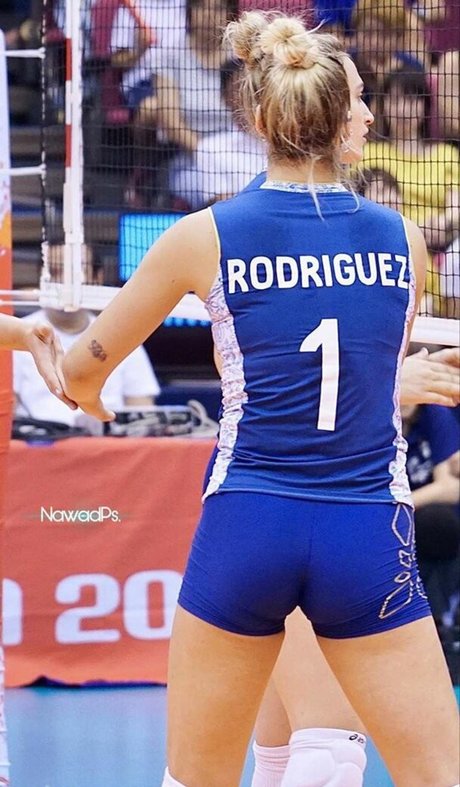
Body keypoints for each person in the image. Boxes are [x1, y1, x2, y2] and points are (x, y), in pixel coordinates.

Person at [60, 12, 459, 787]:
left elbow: (82, 372)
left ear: (265, 120)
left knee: (197, 778)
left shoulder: (202, 235)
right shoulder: (404, 240)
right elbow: (361, 366)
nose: (369, 114)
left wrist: (84, 387)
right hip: (364, 530)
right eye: (359, 100)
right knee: (425, 773)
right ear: (336, 123)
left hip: (249, 519)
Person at [14, 244, 160, 425]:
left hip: (106, 439)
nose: (65, 282)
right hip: (38, 439)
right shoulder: (19, 335)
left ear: (96, 278)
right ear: (42, 279)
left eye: (76, 271)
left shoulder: (123, 337)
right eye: (56, 271)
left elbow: (143, 411)